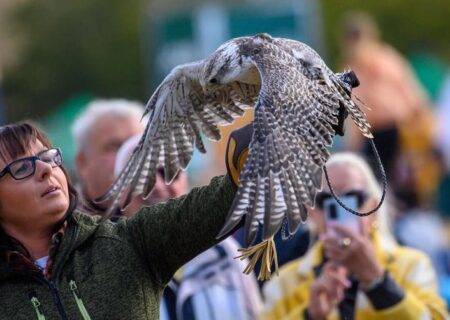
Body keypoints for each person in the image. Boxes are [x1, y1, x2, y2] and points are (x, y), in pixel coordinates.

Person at [0, 120, 250, 319]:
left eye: (48, 158)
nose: (46, 170)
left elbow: (224, 198)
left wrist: (263, 137)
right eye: (22, 168)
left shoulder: (126, 243)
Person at [262, 152, 448, 320]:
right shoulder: (284, 283)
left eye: (353, 197)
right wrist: (310, 315)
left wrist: (379, 282)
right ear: (312, 213)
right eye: (326, 201)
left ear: (374, 208)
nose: (343, 209)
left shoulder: (412, 266)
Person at [114, 134, 263, 320]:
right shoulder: (105, 262)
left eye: (169, 173)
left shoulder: (225, 255)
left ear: (185, 183)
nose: (157, 186)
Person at [71, 98, 147, 214]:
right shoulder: (63, 226)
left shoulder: (168, 204)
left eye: (138, 145)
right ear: (83, 162)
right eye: (115, 147)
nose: (130, 155)